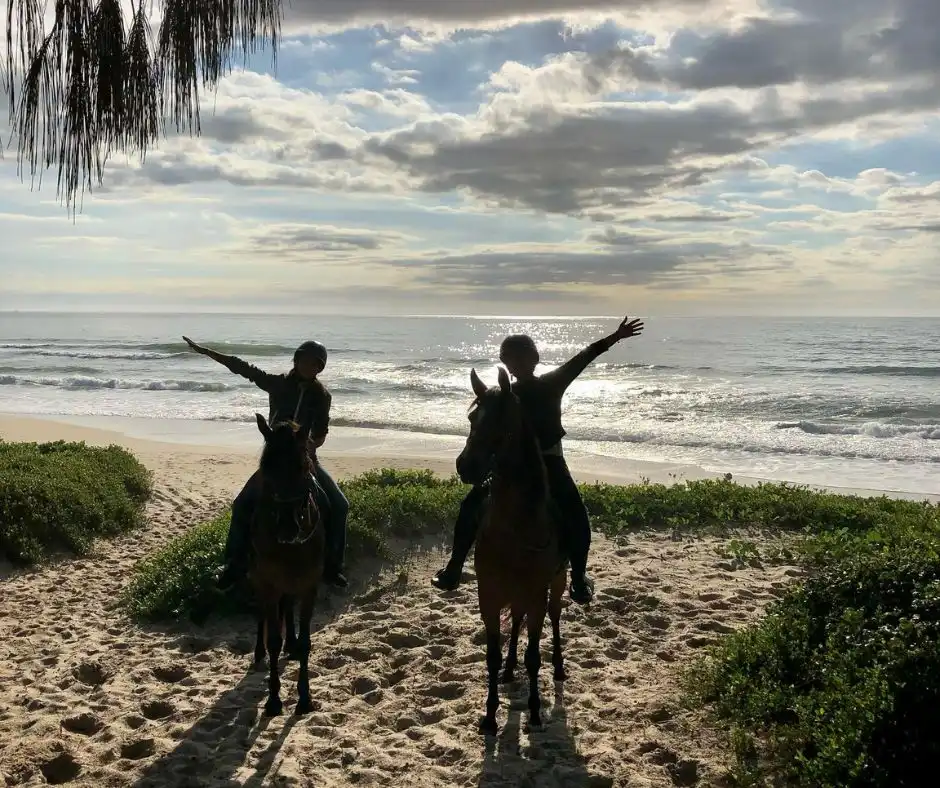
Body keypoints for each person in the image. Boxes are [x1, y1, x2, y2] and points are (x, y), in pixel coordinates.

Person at [432, 315, 645, 604]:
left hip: (550, 463)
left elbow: (584, 356)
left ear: (534, 358)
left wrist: (616, 336)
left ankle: (579, 576)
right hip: (511, 466)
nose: (514, 364)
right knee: (471, 504)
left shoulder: (552, 382)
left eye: (518, 358)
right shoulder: (501, 394)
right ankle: (455, 566)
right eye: (508, 360)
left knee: (575, 512)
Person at [182, 336, 349, 590]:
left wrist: (305, 448)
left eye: (315, 364)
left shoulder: (322, 395)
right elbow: (243, 368)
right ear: (296, 360)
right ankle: (233, 566)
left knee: (339, 505)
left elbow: (322, 434)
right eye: (305, 361)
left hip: (305, 461)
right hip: (275, 462)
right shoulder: (277, 384)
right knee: (241, 505)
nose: (309, 367)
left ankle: (332, 567)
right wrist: (205, 351)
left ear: (320, 368)